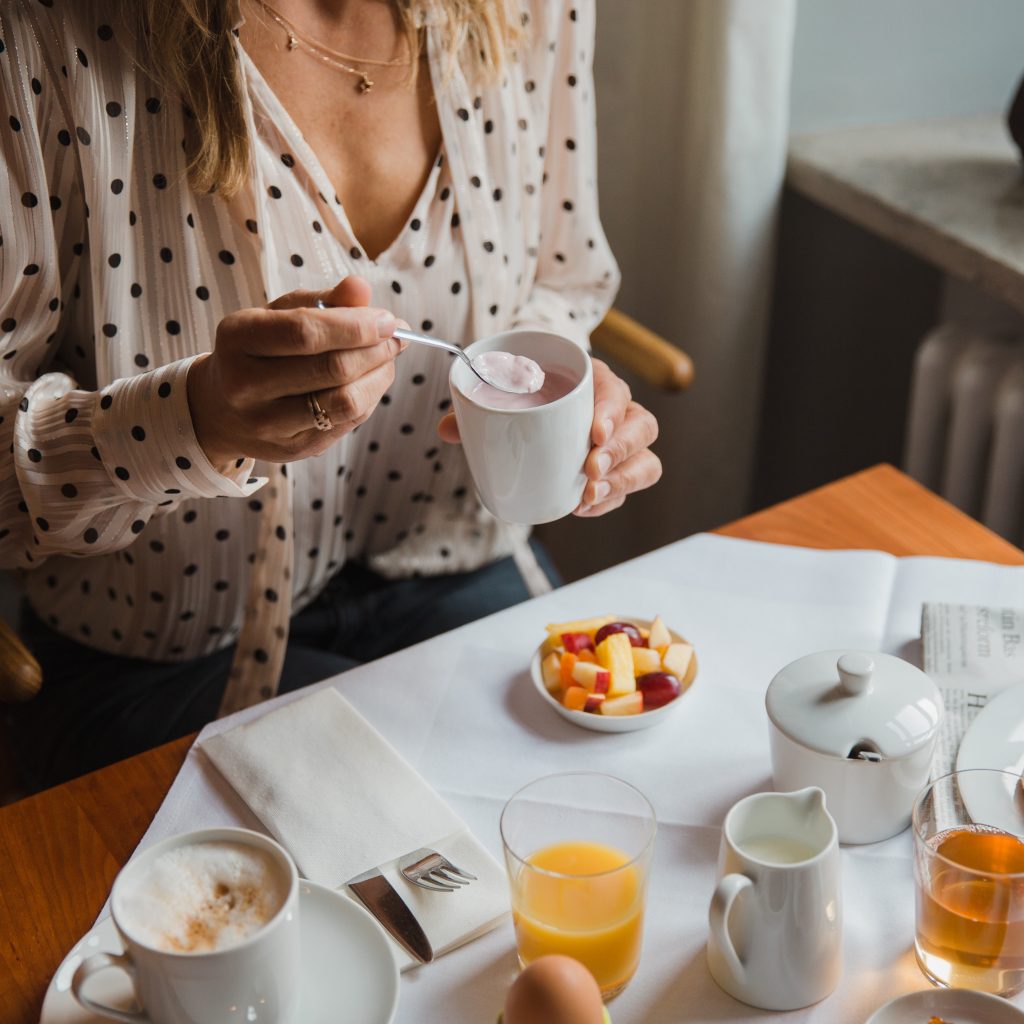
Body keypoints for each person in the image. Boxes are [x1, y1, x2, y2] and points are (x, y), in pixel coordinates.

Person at [0, 0, 661, 789]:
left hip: (452, 566)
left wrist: (567, 396)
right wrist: (190, 422)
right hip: (163, 651)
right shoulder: (41, 34)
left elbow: (560, 277)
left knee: (610, 801)